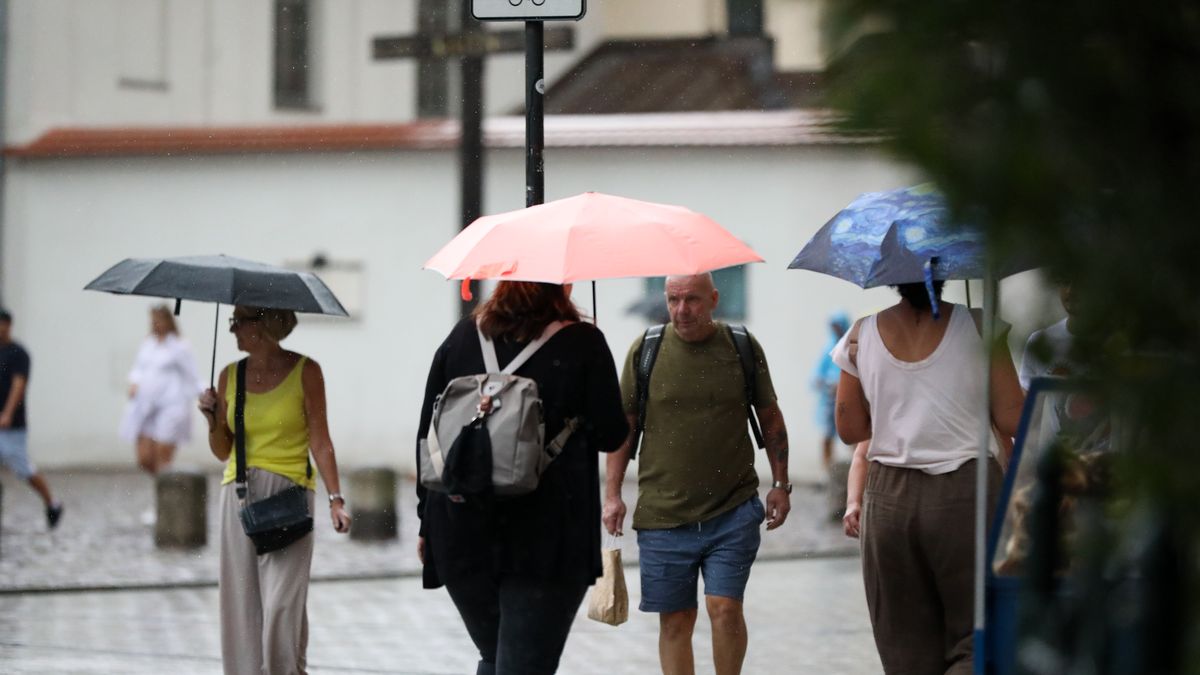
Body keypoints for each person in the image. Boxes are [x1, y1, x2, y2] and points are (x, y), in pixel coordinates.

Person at [416, 281, 627, 675]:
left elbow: (428, 432)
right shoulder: (583, 342)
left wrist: (426, 522)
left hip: (460, 528)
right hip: (546, 538)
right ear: (561, 283)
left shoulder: (464, 335)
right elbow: (610, 434)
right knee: (523, 665)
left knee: (495, 656)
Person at [603, 273, 791, 675]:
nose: (682, 309)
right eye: (673, 299)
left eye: (692, 299)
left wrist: (780, 484)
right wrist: (613, 494)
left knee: (723, 609)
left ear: (714, 299)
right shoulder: (647, 349)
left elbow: (770, 417)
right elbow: (625, 425)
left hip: (733, 508)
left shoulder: (740, 345)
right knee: (676, 620)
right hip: (663, 515)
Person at [835, 281, 1024, 675]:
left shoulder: (860, 334)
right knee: (976, 634)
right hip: (966, 493)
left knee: (903, 644)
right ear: (944, 274)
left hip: (889, 499)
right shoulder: (981, 326)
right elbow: (1012, 418)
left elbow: (850, 428)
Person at [199, 305, 351, 675]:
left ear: (264, 325)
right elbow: (223, 450)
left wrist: (335, 498)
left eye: (239, 322)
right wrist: (212, 420)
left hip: (290, 496)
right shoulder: (229, 375)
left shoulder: (306, 371)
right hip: (238, 494)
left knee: (282, 606)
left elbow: (320, 439)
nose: (233, 329)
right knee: (241, 606)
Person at [120, 304, 203, 475]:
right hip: (146, 406)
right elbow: (139, 368)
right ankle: (163, 486)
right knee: (144, 458)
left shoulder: (179, 346)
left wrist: (202, 393)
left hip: (171, 406)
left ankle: (166, 495)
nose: (155, 324)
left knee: (162, 456)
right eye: (153, 320)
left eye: (158, 320)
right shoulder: (148, 344)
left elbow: (192, 375)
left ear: (168, 321)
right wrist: (134, 382)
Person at [0, 309, 63, 529]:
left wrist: (7, 413)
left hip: (12, 424)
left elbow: (19, 385)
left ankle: (52, 503)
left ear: (8, 325)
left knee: (23, 468)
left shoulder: (18, 354)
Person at [812, 312, 850, 475]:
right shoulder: (828, 349)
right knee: (828, 435)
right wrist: (829, 384)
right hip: (830, 399)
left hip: (848, 398)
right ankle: (828, 472)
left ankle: (855, 468)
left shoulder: (850, 346)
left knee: (852, 433)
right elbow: (817, 376)